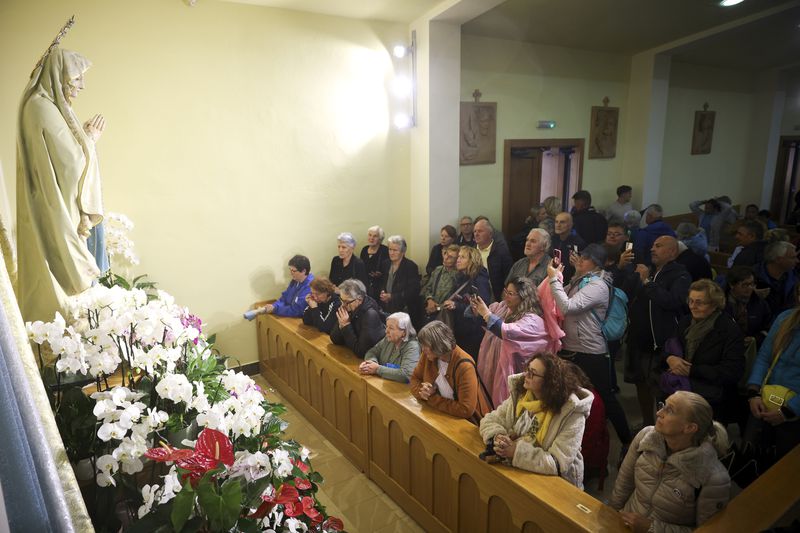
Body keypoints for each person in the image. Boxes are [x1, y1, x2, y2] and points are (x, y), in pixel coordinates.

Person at [17, 47, 107, 322]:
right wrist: (89, 138)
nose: (82, 85)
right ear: (59, 75)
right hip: (56, 208)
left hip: (59, 203)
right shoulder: (41, 107)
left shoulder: (46, 105)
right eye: (77, 78)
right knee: (64, 293)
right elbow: (70, 165)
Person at [547, 243, 632, 447]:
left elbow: (568, 307)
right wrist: (556, 276)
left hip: (591, 351)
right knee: (567, 395)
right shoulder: (580, 280)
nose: (579, 261)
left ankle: (628, 443)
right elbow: (555, 297)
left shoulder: (598, 285)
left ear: (596, 264)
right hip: (570, 348)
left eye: (584, 258)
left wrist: (552, 279)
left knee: (606, 397)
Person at [610, 391, 731, 533]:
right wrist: (611, 515)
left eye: (670, 410)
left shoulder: (714, 478)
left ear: (690, 428)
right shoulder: (646, 436)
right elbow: (624, 483)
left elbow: (706, 531)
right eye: (663, 405)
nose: (659, 413)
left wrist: (651, 528)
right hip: (624, 523)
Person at [479, 353, 594, 488]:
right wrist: (498, 437)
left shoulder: (572, 414)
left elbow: (557, 464)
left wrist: (516, 451)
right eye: (528, 369)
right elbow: (490, 420)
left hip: (557, 485)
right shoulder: (523, 395)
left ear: (549, 381)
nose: (526, 375)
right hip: (520, 473)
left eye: (533, 373)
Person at [625, 236, 692, 426]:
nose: (653, 249)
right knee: (640, 384)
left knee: (660, 389)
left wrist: (646, 281)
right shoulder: (652, 271)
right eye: (653, 245)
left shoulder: (680, 275)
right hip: (639, 339)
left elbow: (672, 301)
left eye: (659, 246)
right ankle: (647, 423)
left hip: (660, 344)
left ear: (672, 252)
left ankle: (662, 425)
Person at [659, 280, 745, 423]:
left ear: (714, 304)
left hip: (709, 400)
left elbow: (732, 371)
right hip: (679, 392)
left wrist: (692, 371)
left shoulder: (729, 330)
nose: (693, 306)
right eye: (691, 301)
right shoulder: (685, 322)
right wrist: (669, 358)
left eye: (700, 303)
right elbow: (666, 349)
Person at [469, 278, 550, 406]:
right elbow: (486, 322)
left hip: (517, 374)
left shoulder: (533, 320)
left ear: (524, 297)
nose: (506, 296)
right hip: (492, 366)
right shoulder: (504, 307)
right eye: (505, 291)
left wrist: (486, 313)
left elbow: (506, 331)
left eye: (511, 294)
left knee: (508, 406)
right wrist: (478, 310)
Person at [744, 305, 800, 464]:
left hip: (794, 413)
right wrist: (753, 393)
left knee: (783, 468)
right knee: (751, 457)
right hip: (765, 399)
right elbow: (764, 357)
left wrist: (789, 411)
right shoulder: (785, 318)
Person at [410, 320, 491, 423]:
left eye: (426, 345)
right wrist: (423, 391)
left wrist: (430, 398)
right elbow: (414, 379)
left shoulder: (465, 366)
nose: (423, 349)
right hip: (439, 415)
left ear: (438, 345)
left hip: (467, 424)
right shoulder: (428, 355)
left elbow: (466, 409)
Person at [441, 246, 493, 360]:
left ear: (472, 260)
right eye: (458, 256)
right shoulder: (461, 277)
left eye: (463, 257)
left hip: (473, 332)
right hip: (460, 329)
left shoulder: (480, 279)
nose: (458, 259)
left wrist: (456, 305)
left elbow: (481, 306)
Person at [359, 312, 420, 383]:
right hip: (383, 383)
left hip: (399, 390)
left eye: (391, 328)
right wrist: (371, 363)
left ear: (404, 332)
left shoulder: (413, 346)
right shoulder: (388, 339)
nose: (386, 331)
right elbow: (372, 352)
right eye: (387, 326)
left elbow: (406, 375)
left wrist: (377, 369)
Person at [330, 279, 384, 358]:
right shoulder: (348, 307)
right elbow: (334, 338)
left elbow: (362, 352)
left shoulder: (370, 315)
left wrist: (346, 326)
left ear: (359, 300)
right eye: (341, 300)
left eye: (347, 302)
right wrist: (341, 324)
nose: (343, 305)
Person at [723, 266, 772, 347]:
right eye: (745, 285)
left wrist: (755, 339)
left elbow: (768, 329)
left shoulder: (760, 304)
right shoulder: (721, 303)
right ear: (732, 285)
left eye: (752, 284)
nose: (750, 288)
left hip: (752, 348)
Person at [379, 235, 421, 324]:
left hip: (404, 309)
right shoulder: (385, 264)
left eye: (395, 250)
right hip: (386, 307)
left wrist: (392, 296)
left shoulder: (411, 266)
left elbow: (413, 291)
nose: (391, 253)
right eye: (390, 249)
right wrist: (383, 292)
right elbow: (383, 282)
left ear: (403, 252)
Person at [473, 219, 514, 302]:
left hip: (495, 294)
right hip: (474, 292)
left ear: (490, 234)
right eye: (475, 231)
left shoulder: (501, 251)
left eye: (480, 231)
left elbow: (509, 275)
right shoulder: (471, 251)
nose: (476, 234)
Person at [755, 241, 799, 314]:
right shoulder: (753, 277)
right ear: (778, 259)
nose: (797, 261)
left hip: (786, 322)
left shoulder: (795, 277)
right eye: (793, 257)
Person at [420, 244, 460, 323]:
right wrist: (429, 300)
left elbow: (457, 300)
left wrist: (437, 308)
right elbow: (428, 288)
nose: (446, 258)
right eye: (446, 254)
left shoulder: (459, 275)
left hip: (448, 315)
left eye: (451, 257)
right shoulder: (438, 270)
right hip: (431, 310)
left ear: (457, 260)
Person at [552, 212, 587, 284]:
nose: (558, 225)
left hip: (569, 280)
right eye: (556, 222)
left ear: (570, 225)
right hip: (553, 276)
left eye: (562, 222)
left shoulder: (578, 243)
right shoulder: (553, 238)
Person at [360, 225, 389, 299]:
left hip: (380, 287)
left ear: (380, 239)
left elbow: (388, 270)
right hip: (365, 286)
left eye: (375, 236)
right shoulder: (364, 250)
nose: (371, 238)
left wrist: (380, 274)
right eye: (370, 235)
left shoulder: (385, 250)